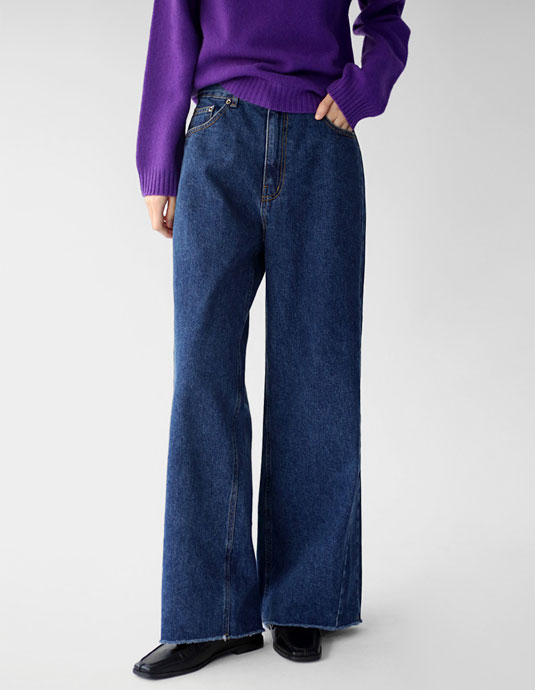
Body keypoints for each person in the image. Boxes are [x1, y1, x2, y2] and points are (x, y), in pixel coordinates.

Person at [132, 0, 410, 679]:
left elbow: (386, 18)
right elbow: (173, 20)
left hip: (321, 139)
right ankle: (210, 615)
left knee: (317, 375)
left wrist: (365, 88)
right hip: (218, 135)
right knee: (201, 375)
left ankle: (303, 599)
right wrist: (158, 159)